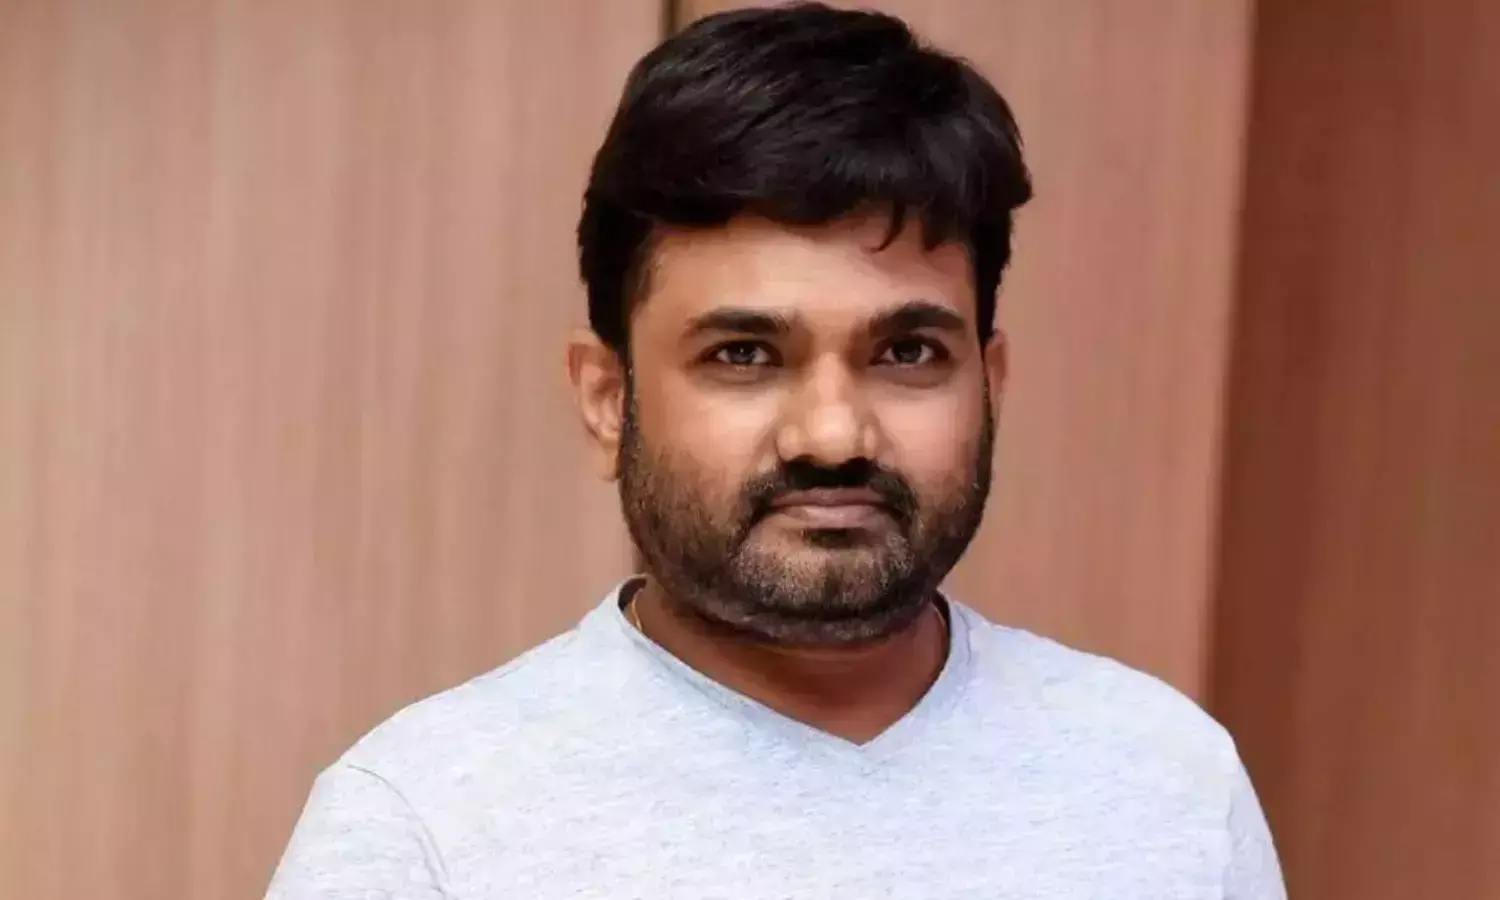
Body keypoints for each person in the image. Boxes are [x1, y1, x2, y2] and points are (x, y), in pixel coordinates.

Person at [265, 4, 1286, 897]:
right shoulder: (426, 825)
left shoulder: (1166, 781)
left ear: (990, 385)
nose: (833, 435)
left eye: (908, 352)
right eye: (744, 355)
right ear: (609, 400)